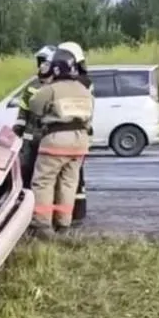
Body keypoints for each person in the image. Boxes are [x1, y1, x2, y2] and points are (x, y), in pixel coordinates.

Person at [27, 48, 93, 237]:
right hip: (80, 141)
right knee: (69, 183)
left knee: (44, 182)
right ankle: (64, 224)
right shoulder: (84, 89)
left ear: (55, 69)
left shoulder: (51, 89)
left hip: (56, 140)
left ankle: (42, 226)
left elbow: (35, 107)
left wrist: (45, 83)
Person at [57, 41, 91, 225]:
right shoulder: (86, 81)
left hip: (64, 133)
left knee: (66, 178)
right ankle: (76, 213)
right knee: (76, 177)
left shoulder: (72, 82)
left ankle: (67, 215)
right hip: (82, 134)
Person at [17, 45, 56, 189]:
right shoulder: (32, 86)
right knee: (25, 170)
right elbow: (23, 112)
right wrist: (17, 132)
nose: (41, 65)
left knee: (45, 174)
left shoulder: (58, 86)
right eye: (40, 62)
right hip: (30, 138)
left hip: (48, 137)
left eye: (44, 62)